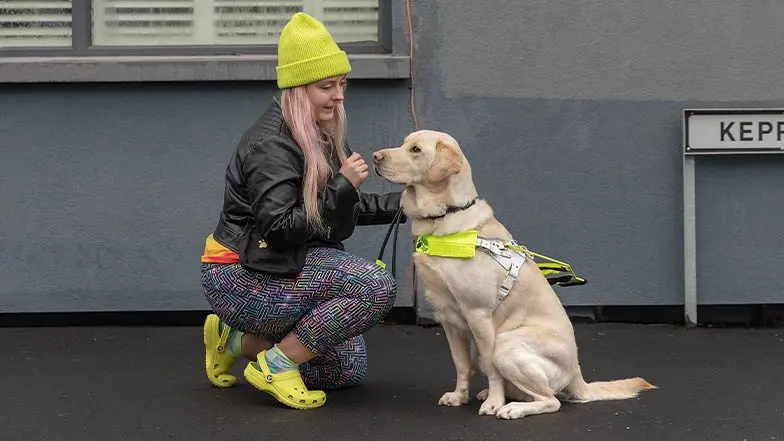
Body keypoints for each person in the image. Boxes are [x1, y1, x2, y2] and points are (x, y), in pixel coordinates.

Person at [199, 12, 404, 410]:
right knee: (374, 286)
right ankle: (274, 364)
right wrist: (342, 185)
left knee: (346, 368)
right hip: (240, 274)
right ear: (297, 89)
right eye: (326, 86)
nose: (339, 95)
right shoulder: (272, 145)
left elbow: (339, 211)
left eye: (342, 84)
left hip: (285, 264)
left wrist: (412, 205)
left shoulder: (317, 135)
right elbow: (277, 229)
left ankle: (233, 339)